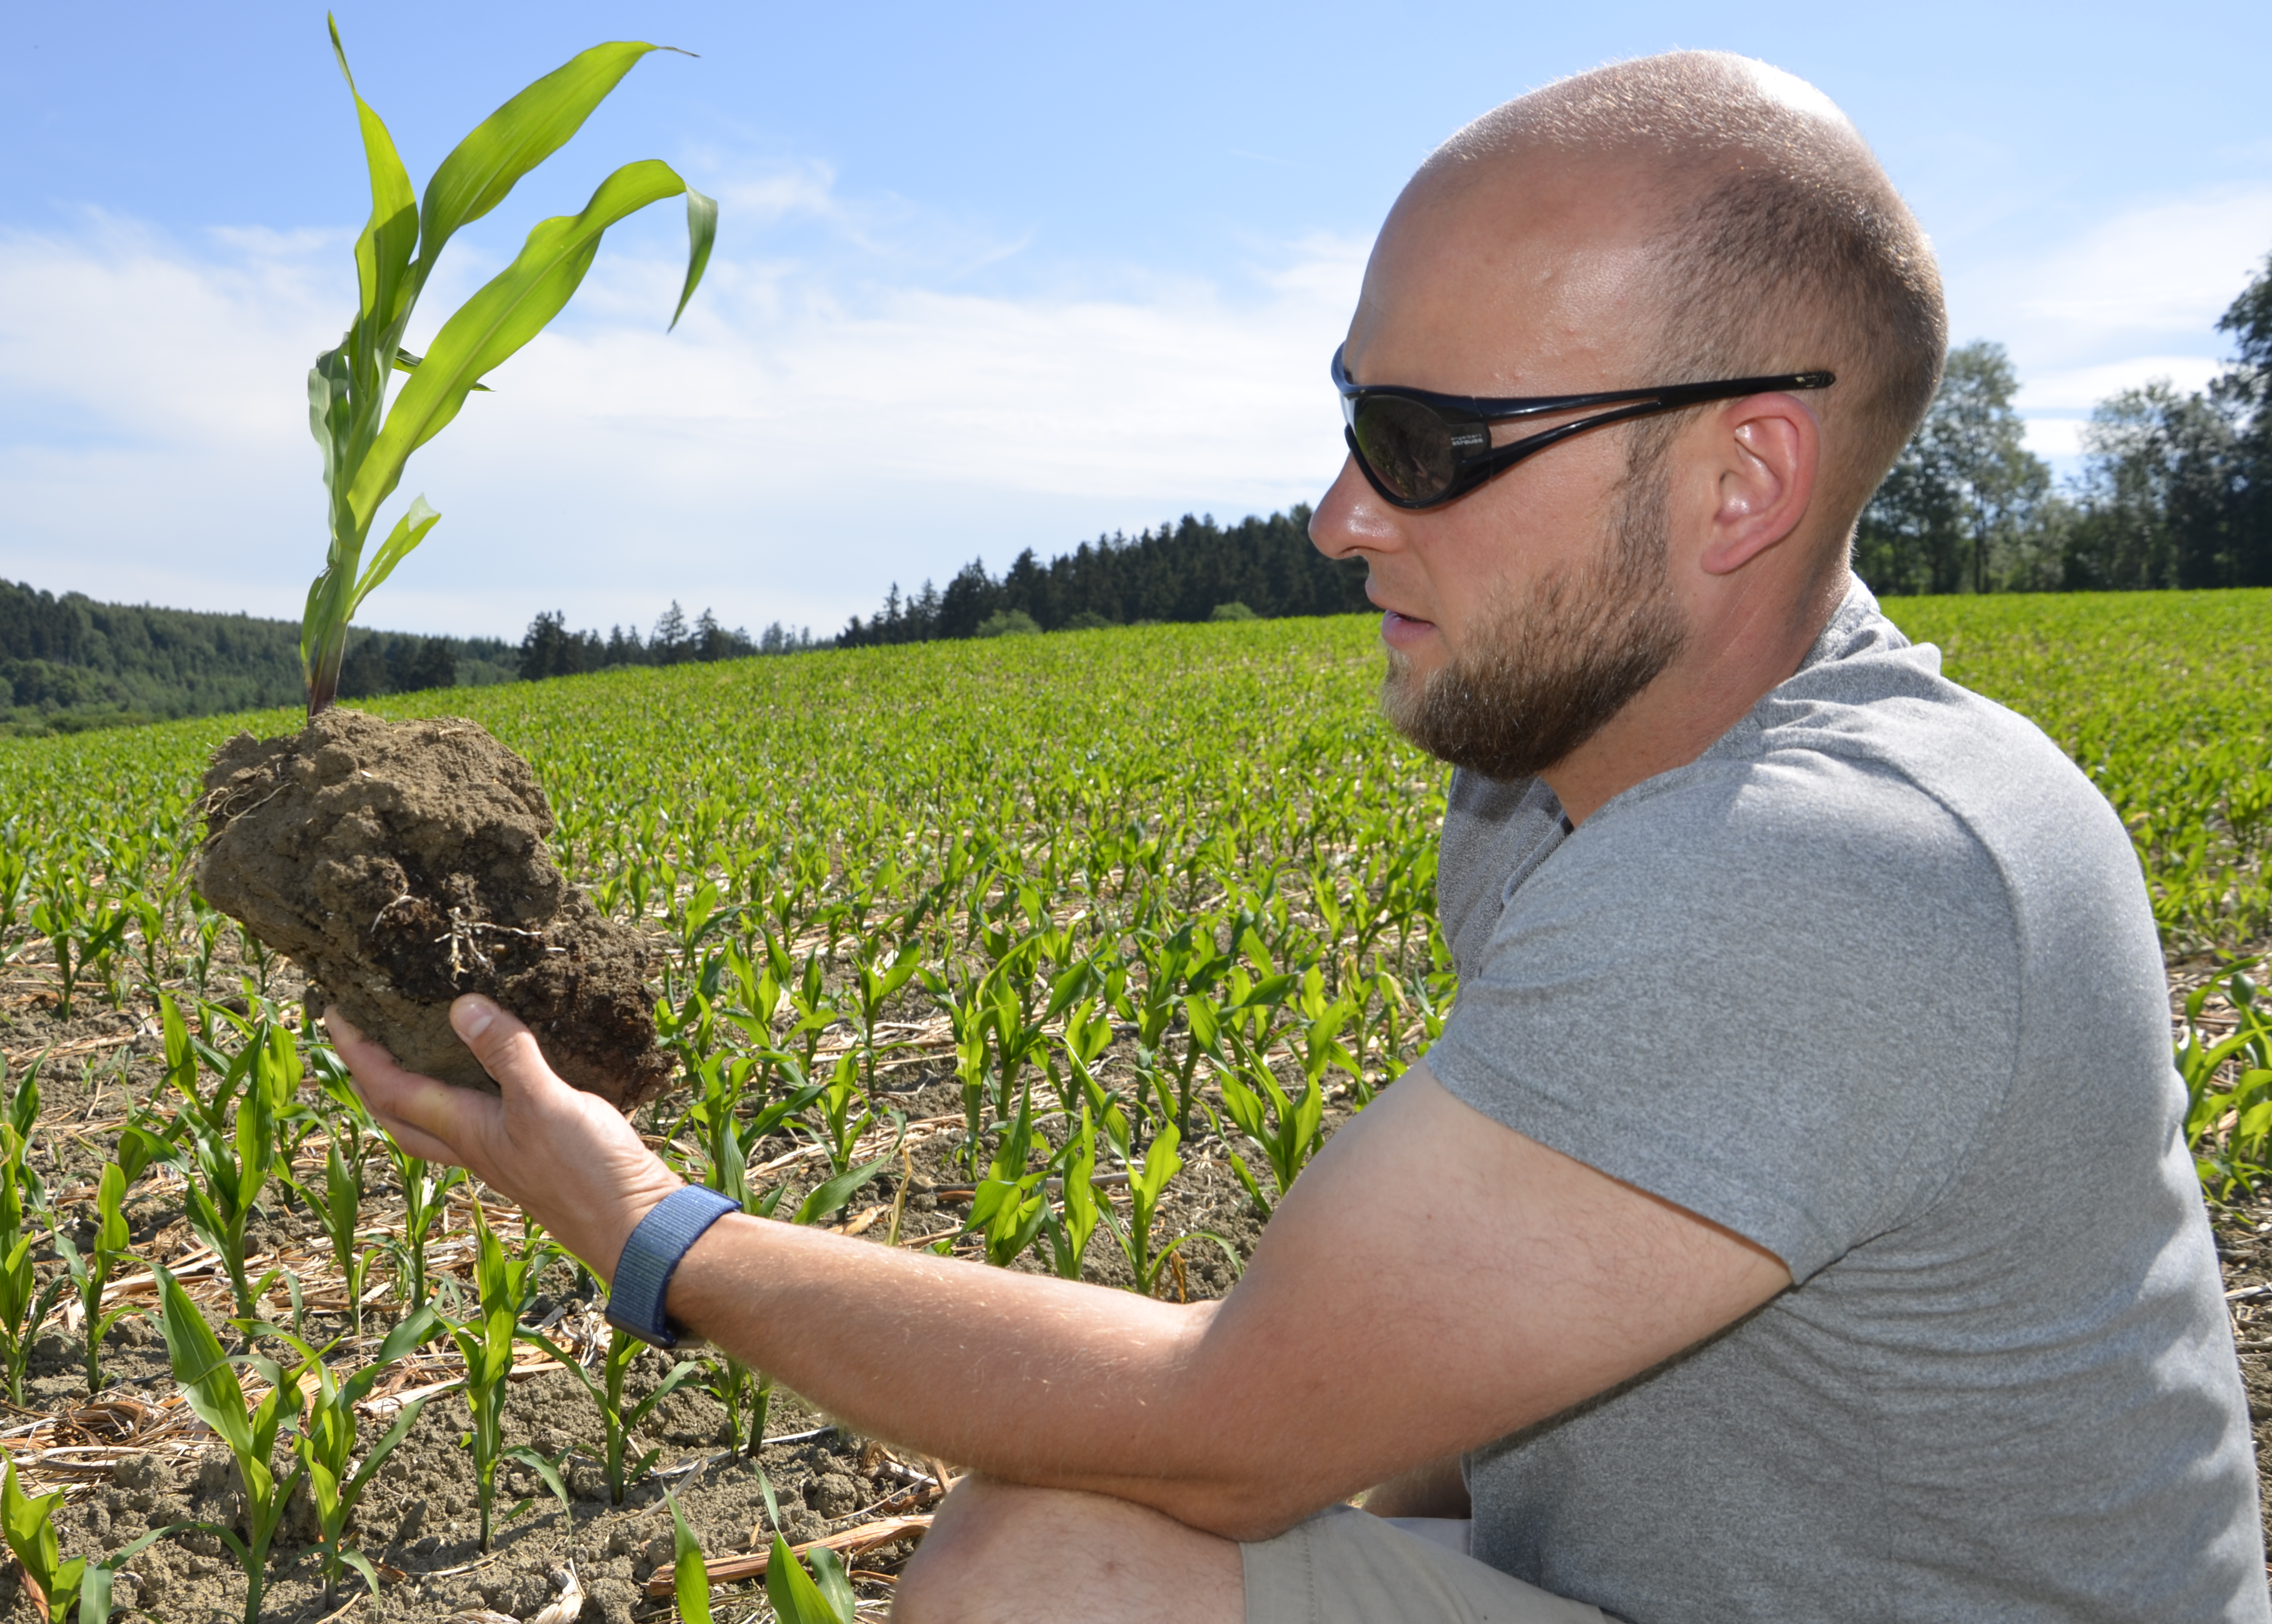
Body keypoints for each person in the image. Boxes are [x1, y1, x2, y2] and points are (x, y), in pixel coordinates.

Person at [329, 50, 2272, 1624]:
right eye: (1350, 416)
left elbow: (1224, 1430)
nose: (1339, 512)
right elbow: (1471, 1377)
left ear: (1738, 472)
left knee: (1048, 1575)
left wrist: (647, 1228)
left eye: (1428, 444)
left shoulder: (1838, 862)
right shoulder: (1541, 792)